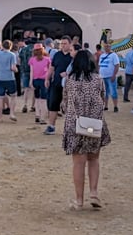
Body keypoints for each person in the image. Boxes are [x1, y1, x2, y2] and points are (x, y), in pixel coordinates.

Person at [61, 49, 111, 210]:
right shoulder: (98, 79)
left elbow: (65, 101)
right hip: (93, 124)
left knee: (78, 163)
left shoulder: (70, 80)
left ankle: (79, 200)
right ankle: (94, 193)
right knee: (94, 159)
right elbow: (103, 98)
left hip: (75, 125)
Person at [44, 41, 72, 135]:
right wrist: (47, 79)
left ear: (69, 44)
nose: (63, 45)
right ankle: (51, 126)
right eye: (62, 43)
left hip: (69, 85)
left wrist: (67, 74)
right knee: (53, 104)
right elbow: (52, 68)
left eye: (65, 43)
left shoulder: (73, 55)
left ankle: (70, 128)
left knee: (70, 106)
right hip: (56, 83)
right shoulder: (57, 55)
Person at [0, 39, 19, 121]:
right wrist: (16, 70)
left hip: (0, 77)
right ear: (10, 46)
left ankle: (0, 117)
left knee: (0, 97)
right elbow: (13, 67)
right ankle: (12, 113)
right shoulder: (12, 55)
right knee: (13, 96)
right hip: (9, 77)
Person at [29, 43, 51, 125]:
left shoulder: (32, 60)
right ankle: (43, 118)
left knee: (37, 98)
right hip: (44, 80)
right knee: (43, 100)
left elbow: (31, 71)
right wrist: (48, 79)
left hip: (35, 80)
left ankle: (37, 115)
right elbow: (49, 71)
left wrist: (30, 82)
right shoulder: (47, 59)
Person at [98, 42, 120, 112]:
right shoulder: (102, 55)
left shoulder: (114, 55)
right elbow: (99, 65)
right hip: (102, 76)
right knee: (104, 92)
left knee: (113, 92)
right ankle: (106, 106)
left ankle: (115, 106)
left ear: (110, 47)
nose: (106, 48)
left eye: (108, 46)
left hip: (110, 76)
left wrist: (114, 75)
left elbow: (117, 65)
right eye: (105, 46)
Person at [18, 38, 34, 113]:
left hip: (25, 71)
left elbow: (19, 60)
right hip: (34, 71)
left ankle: (25, 104)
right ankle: (33, 106)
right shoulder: (36, 50)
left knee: (26, 89)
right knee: (34, 89)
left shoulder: (23, 50)